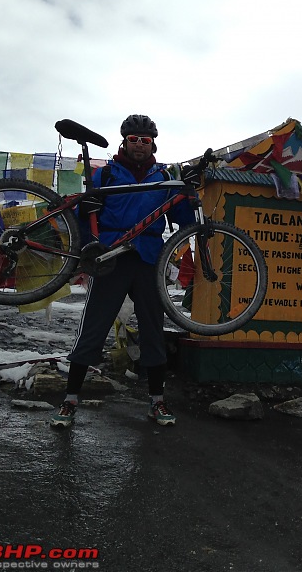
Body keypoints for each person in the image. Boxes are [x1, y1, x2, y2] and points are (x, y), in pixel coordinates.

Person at [51, 114, 185, 428]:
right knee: (93, 329)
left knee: (153, 330)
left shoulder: (164, 176)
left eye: (146, 140)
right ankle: (69, 401)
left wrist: (189, 195)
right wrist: (85, 223)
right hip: (110, 257)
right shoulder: (107, 174)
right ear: (124, 141)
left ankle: (157, 402)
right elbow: (84, 218)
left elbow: (182, 217)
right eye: (134, 139)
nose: (140, 144)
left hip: (148, 258)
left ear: (153, 143)